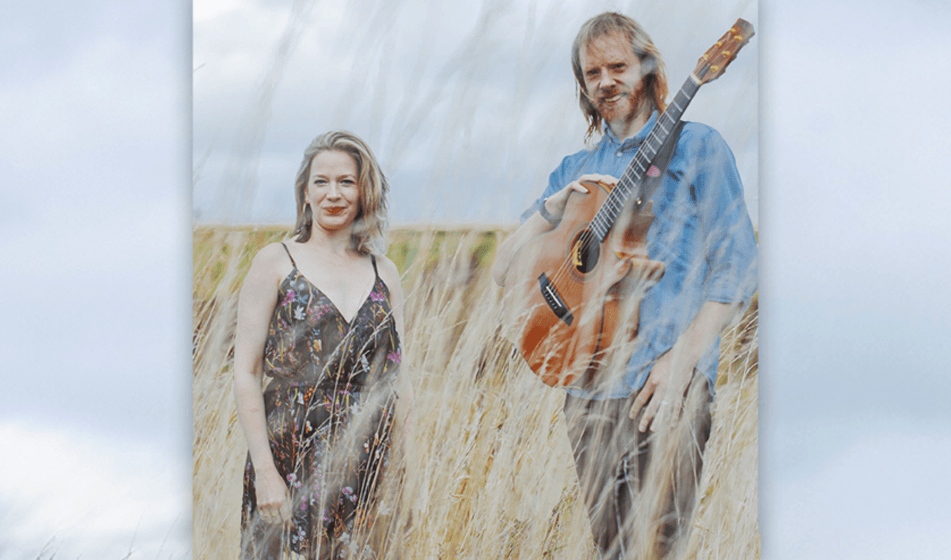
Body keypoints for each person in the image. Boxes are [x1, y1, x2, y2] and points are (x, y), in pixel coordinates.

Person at [491, 12, 757, 560]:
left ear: (649, 68)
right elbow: (504, 269)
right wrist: (549, 209)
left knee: (660, 545)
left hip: (665, 384)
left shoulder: (699, 148)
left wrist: (682, 360)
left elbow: (739, 265)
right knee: (610, 549)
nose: (606, 81)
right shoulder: (576, 168)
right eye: (593, 73)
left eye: (618, 66)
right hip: (585, 388)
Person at [233, 131, 413, 559]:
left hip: (368, 461)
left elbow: (398, 382)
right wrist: (264, 471)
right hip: (289, 462)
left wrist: (408, 475)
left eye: (346, 182)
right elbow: (245, 372)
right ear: (305, 193)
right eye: (322, 182)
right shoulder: (275, 262)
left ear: (364, 191)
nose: (334, 194)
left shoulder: (384, 272)